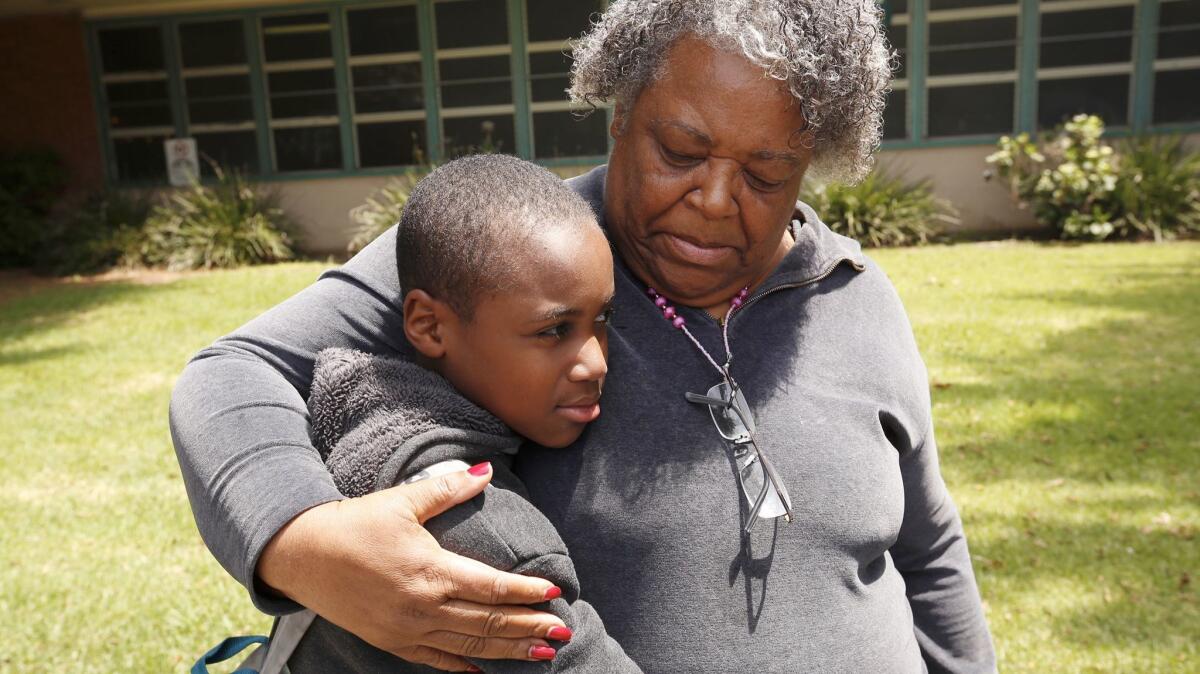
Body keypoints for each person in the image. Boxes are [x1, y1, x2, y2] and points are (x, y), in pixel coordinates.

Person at [170, 1, 997, 672]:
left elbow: (927, 554)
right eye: (680, 149)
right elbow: (235, 373)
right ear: (619, 111)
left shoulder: (858, 295)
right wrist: (302, 544)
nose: (714, 198)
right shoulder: (515, 253)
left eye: (764, 173)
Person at [287, 155, 638, 671]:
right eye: (553, 330)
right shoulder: (486, 544)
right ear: (428, 326)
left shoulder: (368, 419)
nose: (595, 361)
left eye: (602, 319)